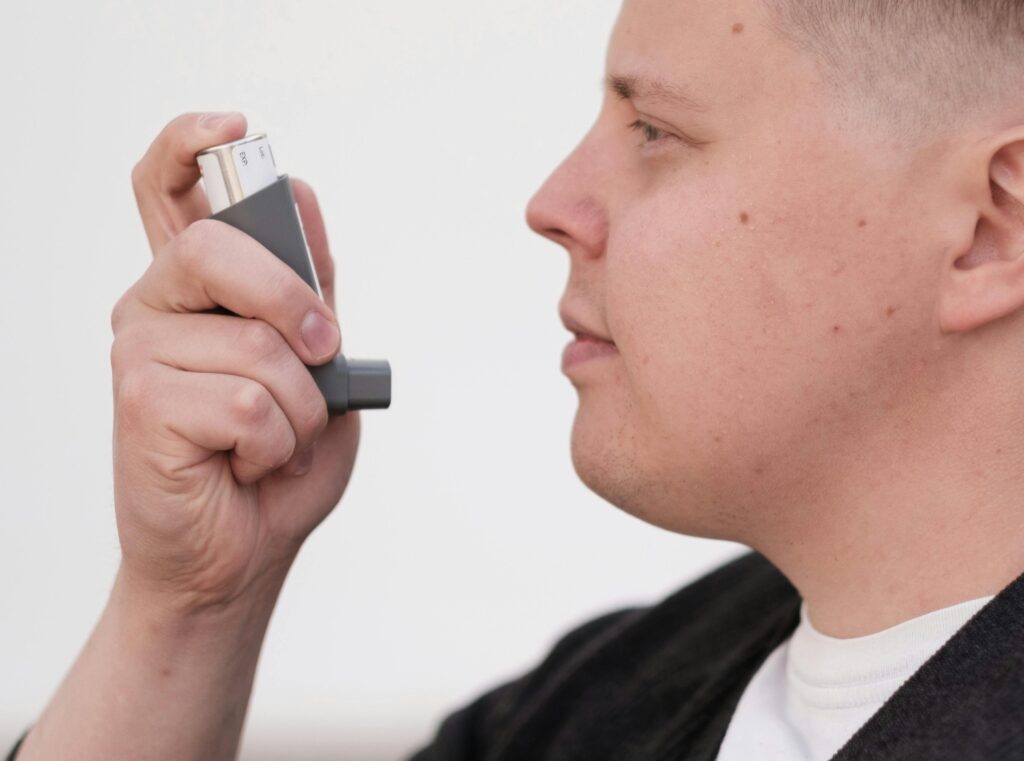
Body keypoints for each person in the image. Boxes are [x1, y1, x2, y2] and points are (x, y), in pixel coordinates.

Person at [10, 0, 1024, 758]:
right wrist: (192, 602)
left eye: (654, 131)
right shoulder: (586, 712)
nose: (550, 203)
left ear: (986, 231)